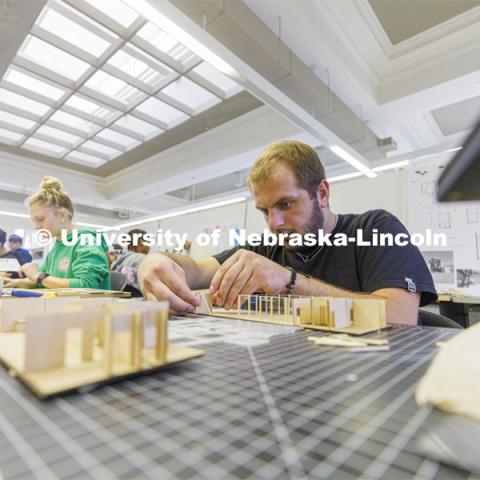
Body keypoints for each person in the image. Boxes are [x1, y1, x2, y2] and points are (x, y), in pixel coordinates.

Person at [137, 141, 437, 324]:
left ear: (321, 193)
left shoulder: (375, 228)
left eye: (286, 204)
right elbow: (197, 270)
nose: (274, 223)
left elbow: (400, 317)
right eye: (264, 210)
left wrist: (288, 281)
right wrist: (157, 262)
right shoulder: (264, 250)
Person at [3, 176, 110, 290]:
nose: (36, 226)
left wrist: (38, 275)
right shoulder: (56, 248)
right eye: (34, 221)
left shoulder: (86, 242)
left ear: (62, 215)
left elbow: (85, 285)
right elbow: (42, 282)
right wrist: (14, 283)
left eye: (40, 219)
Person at [110, 229, 150, 295]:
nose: (149, 246)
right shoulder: (142, 259)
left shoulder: (119, 260)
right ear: (141, 242)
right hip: (136, 300)